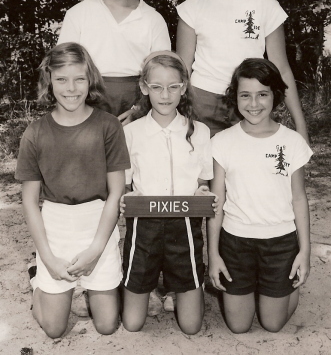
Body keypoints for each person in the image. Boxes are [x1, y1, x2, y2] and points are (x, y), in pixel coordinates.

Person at [15, 42, 131, 339]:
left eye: (79, 79)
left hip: (98, 225)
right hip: (56, 227)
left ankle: (93, 286)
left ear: (90, 79)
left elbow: (116, 193)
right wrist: (48, 257)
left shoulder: (108, 126)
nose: (71, 88)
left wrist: (95, 250)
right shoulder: (36, 132)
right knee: (54, 329)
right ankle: (38, 280)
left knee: (107, 325)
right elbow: (29, 202)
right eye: (62, 79)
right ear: (49, 80)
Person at [176, 0, 308, 141]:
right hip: (202, 105)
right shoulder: (192, 7)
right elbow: (181, 70)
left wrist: (301, 126)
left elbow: (282, 69)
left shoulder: (267, 6)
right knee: (204, 175)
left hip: (251, 104)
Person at [207, 58, 312, 333]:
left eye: (262, 94)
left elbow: (299, 199)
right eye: (245, 95)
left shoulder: (292, 142)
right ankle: (255, 287)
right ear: (235, 97)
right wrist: (214, 253)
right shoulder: (221, 142)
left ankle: (278, 288)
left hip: (280, 243)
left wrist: (305, 250)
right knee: (239, 326)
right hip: (235, 243)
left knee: (273, 324)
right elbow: (215, 204)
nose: (254, 104)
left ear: (275, 95)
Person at [120, 51, 217, 334]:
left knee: (191, 326)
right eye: (157, 87)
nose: (165, 95)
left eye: (173, 87)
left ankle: (175, 290)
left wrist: (202, 193)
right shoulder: (131, 132)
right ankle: (146, 288)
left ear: (184, 87)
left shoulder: (199, 131)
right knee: (133, 324)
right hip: (143, 227)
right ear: (144, 87)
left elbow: (203, 182)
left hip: (184, 228)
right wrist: (128, 197)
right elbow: (124, 185)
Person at [58, 0, 171, 123]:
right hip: (87, 104)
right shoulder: (78, 15)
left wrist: (140, 110)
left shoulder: (153, 19)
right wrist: (83, 110)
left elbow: (163, 77)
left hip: (139, 108)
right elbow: (64, 70)